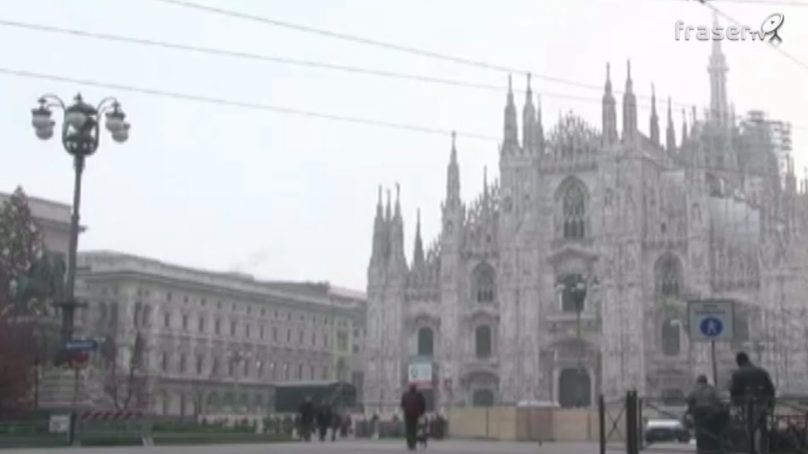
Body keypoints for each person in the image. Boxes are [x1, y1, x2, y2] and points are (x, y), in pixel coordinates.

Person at [730, 352, 775, 453]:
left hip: (748, 405)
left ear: (738, 362)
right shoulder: (762, 372)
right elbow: (771, 390)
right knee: (761, 426)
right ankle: (763, 448)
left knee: (749, 427)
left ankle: (752, 449)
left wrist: (734, 404)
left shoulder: (737, 373)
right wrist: (770, 405)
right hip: (763, 403)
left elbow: (734, 391)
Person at [686, 375, 725, 453]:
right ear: (706, 381)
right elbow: (719, 400)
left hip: (698, 413)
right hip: (711, 413)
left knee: (699, 431)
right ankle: (712, 446)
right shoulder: (712, 389)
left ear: (698, 381)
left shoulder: (694, 389)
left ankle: (700, 448)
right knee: (711, 431)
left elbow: (689, 399)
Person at [400, 385, 427, 451]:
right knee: (416, 429)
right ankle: (415, 443)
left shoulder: (405, 394)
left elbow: (402, 404)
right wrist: (422, 413)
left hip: (407, 414)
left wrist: (405, 410)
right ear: (415, 388)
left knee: (409, 429)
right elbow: (423, 404)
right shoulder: (419, 395)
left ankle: (410, 444)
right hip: (416, 414)